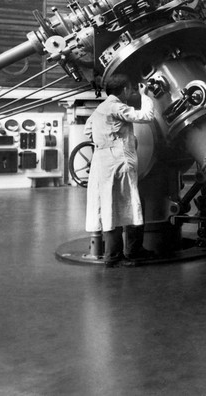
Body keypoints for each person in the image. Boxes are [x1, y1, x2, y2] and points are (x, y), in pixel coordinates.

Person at [85, 73, 156, 267]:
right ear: (124, 89)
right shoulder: (116, 106)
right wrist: (145, 96)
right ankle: (133, 251)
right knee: (132, 204)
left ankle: (112, 255)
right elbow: (147, 116)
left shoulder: (100, 108)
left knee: (109, 206)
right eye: (131, 88)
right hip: (120, 162)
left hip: (102, 163)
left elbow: (87, 131)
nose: (132, 91)